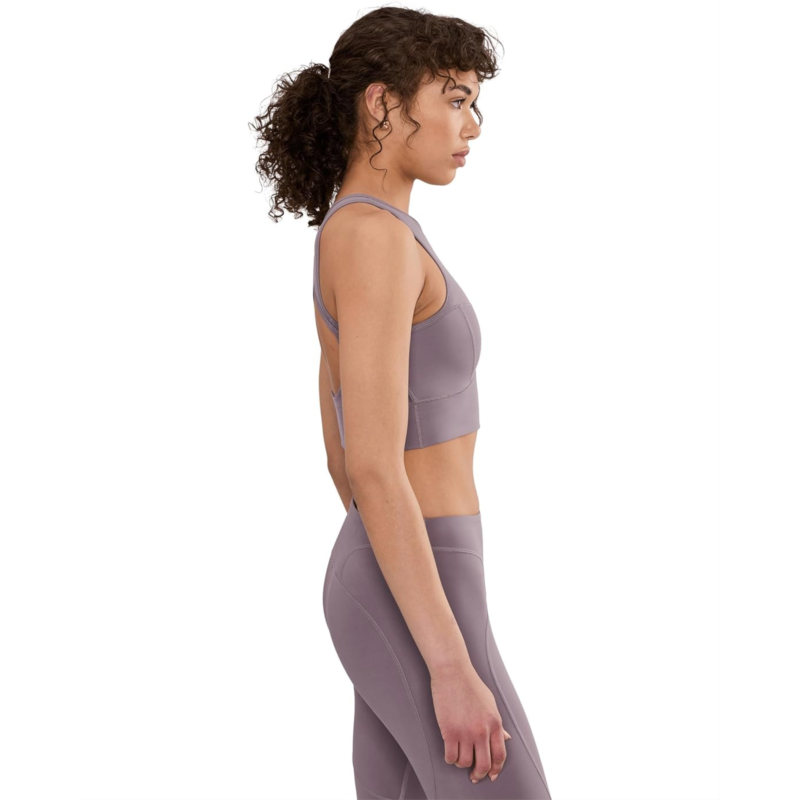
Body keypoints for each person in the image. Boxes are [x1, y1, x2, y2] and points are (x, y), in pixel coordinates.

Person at [251, 7, 553, 798]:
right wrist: (446, 663)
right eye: (455, 99)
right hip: (417, 575)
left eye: (474, 102)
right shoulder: (373, 238)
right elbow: (371, 465)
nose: (472, 125)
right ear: (383, 104)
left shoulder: (365, 232)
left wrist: (386, 568)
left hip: (411, 568)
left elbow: (338, 441)